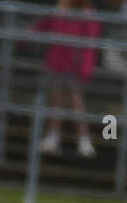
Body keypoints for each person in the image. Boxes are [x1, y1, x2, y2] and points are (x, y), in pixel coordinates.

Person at [32, 0, 103, 158]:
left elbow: (90, 43)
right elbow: (44, 25)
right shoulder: (60, 9)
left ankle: (84, 140)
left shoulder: (87, 14)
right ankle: (53, 136)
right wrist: (28, 34)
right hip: (57, 61)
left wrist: (85, 68)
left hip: (74, 64)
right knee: (56, 98)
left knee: (76, 100)